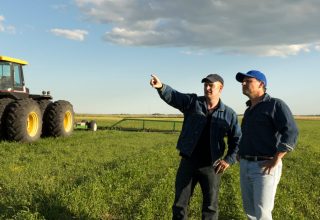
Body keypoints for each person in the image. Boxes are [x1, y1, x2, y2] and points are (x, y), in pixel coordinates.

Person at [150, 74, 241, 220]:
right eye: (205, 84)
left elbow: (236, 140)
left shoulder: (229, 114)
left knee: (210, 207)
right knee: (180, 204)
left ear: (221, 88)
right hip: (188, 162)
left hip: (212, 166)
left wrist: (228, 160)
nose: (207, 88)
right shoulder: (193, 102)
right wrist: (161, 87)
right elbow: (175, 97)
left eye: (211, 85)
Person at [235, 70, 299, 220]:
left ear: (261, 84)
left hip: (264, 165)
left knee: (262, 212)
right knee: (250, 210)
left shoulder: (275, 105)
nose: (243, 84)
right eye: (242, 82)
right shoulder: (249, 109)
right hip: (245, 164)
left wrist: (277, 158)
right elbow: (247, 134)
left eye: (248, 81)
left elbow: (291, 131)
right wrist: (240, 152)